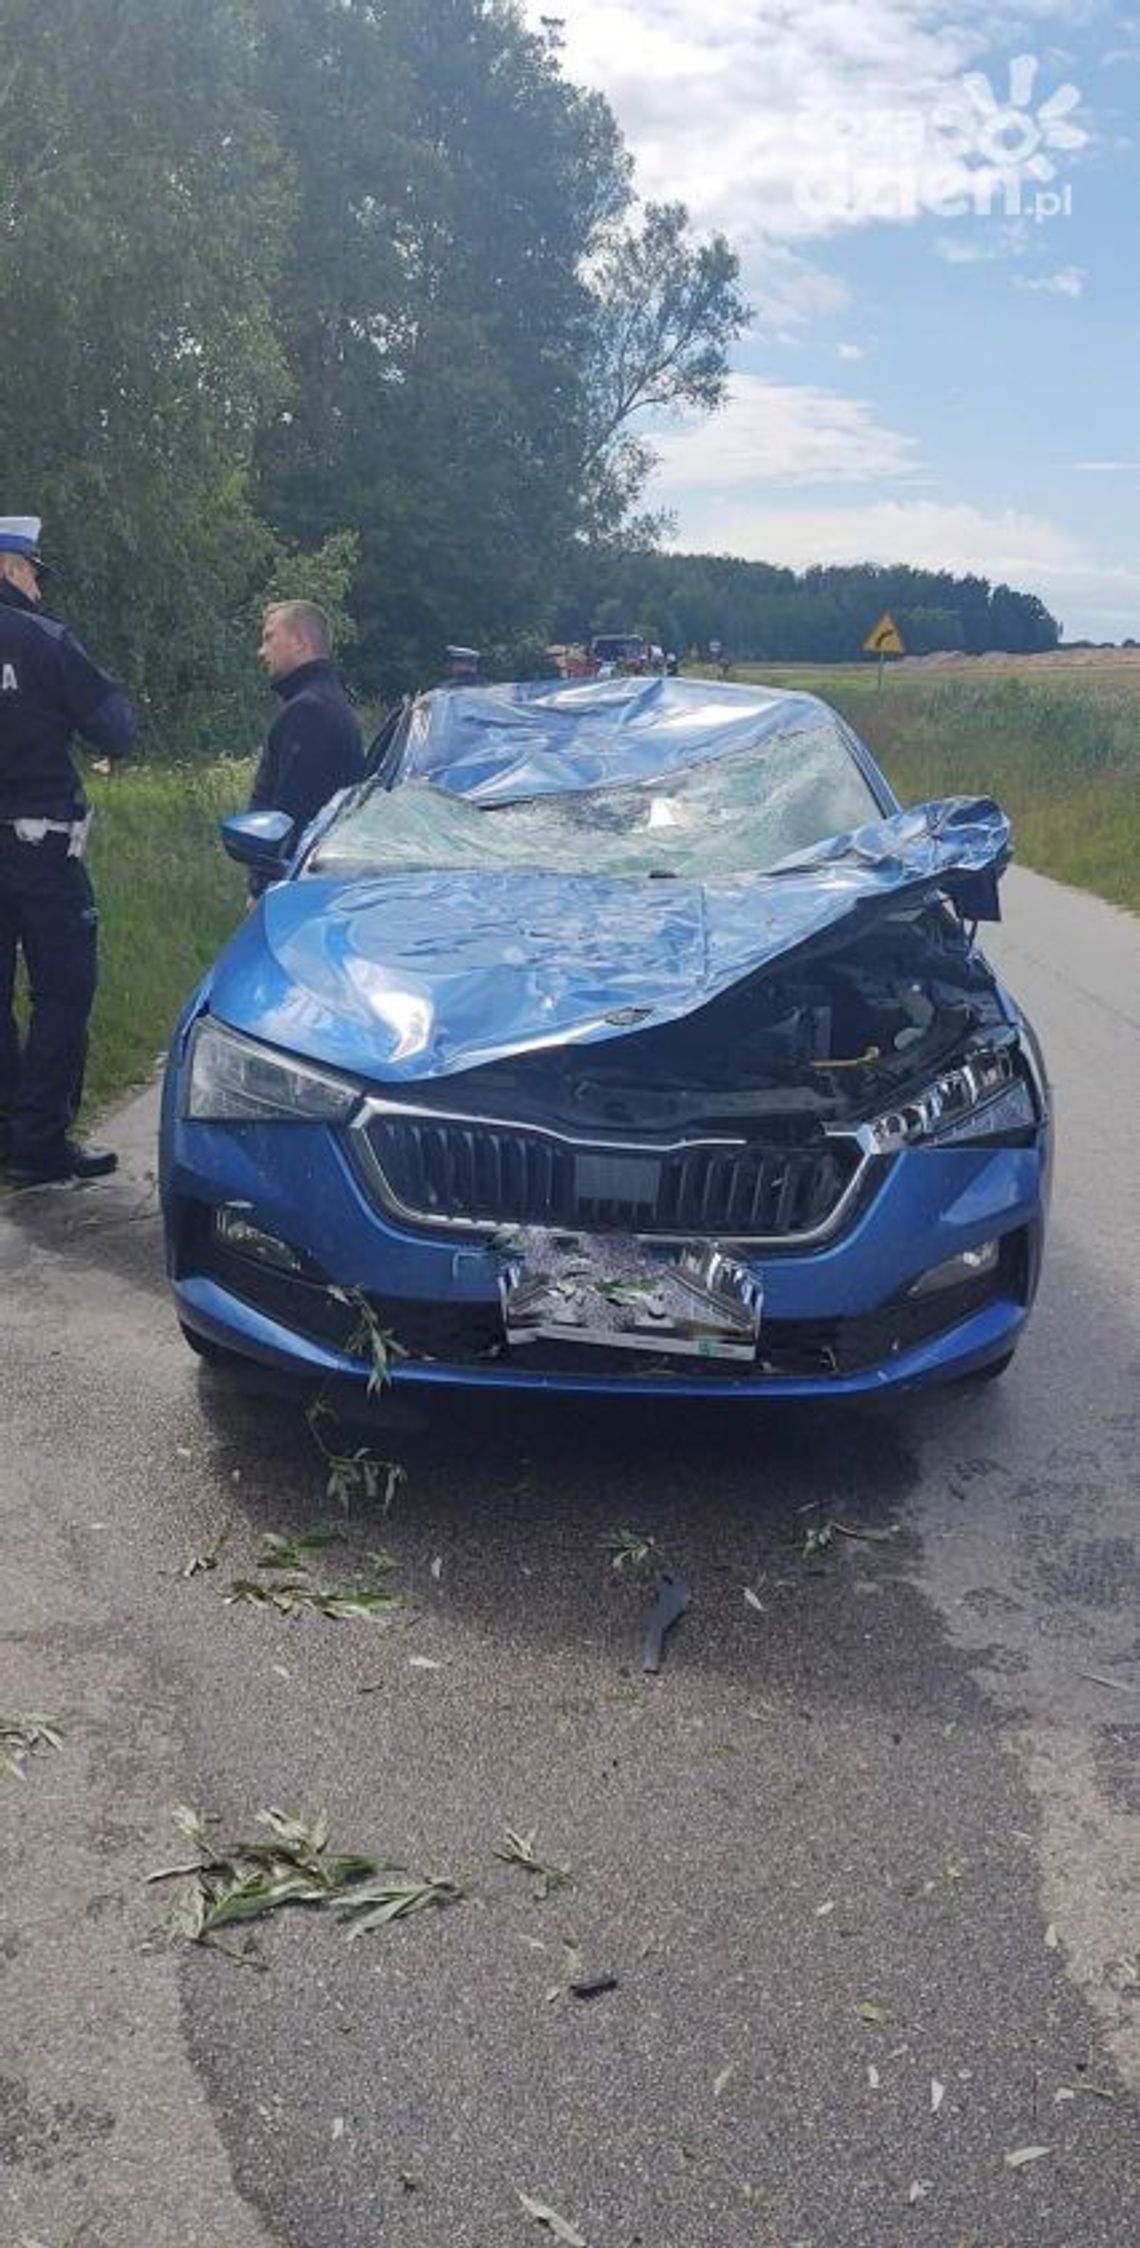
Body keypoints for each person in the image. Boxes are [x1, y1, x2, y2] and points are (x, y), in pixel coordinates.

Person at [0, 515, 135, 1184]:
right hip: (40, 848)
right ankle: (39, 1141)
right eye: (32, 573)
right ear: (8, 568)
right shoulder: (43, 641)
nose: (39, 589)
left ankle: (5, 1131)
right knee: (62, 990)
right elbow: (116, 726)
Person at [247, 600, 365, 894]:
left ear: (300, 642)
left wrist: (262, 886)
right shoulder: (325, 702)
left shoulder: (309, 712)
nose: (261, 652)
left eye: (269, 638)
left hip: (295, 892)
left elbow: (291, 817)